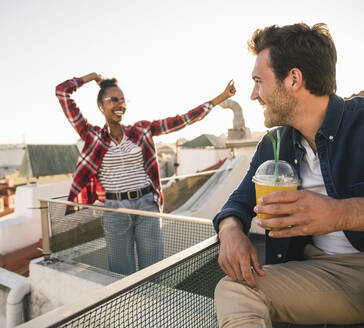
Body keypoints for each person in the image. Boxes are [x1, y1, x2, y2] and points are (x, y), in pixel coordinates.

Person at [213, 23, 364, 327]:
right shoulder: (273, 144)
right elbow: (238, 202)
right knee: (234, 290)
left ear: (294, 78)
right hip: (326, 274)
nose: (255, 94)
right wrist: (230, 231)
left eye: (258, 81)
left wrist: (342, 214)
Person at [56, 73, 236, 275]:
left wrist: (221, 97)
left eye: (122, 100)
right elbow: (62, 92)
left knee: (153, 271)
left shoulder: (140, 130)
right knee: (120, 273)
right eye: (113, 100)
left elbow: (181, 121)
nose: (120, 105)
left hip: (146, 206)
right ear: (100, 105)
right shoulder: (92, 135)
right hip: (115, 210)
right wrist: (91, 77)